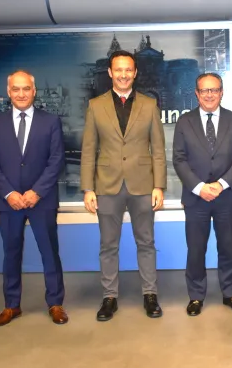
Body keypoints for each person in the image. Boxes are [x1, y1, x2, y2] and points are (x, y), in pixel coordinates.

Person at [81, 50, 167, 321]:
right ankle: (109, 297)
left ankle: (150, 294)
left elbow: (158, 149)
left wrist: (159, 186)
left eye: (128, 69)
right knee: (108, 245)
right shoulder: (95, 106)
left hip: (143, 185)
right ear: (110, 73)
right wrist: (88, 188)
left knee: (147, 243)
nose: (123, 74)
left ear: (135, 72)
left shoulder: (149, 105)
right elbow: (88, 149)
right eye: (118, 70)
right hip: (107, 186)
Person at [0, 70, 67, 327]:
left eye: (26, 88)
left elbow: (56, 160)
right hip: (8, 202)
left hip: (42, 200)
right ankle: (11, 305)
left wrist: (37, 191)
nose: (21, 94)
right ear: (8, 92)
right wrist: (9, 193)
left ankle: (55, 303)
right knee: (11, 253)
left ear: (34, 91)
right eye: (16, 89)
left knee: (49, 252)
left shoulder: (50, 121)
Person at [172, 73, 232, 316]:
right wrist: (199, 187)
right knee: (196, 249)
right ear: (197, 94)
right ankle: (196, 296)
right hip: (196, 197)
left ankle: (230, 293)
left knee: (227, 247)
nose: (209, 95)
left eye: (214, 90)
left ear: (221, 92)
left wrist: (221, 184)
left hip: (226, 196)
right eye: (204, 90)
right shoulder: (184, 122)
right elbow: (179, 159)